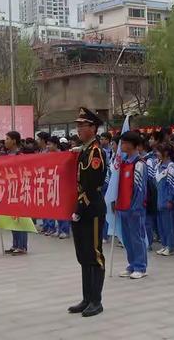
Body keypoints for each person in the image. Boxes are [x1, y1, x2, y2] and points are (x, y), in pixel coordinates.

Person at [68, 108, 107, 317]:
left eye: (82, 126)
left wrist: (79, 209)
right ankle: (86, 298)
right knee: (83, 255)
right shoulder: (83, 150)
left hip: (91, 209)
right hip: (81, 209)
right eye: (78, 126)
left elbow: (91, 186)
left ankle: (96, 300)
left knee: (94, 255)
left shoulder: (95, 153)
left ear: (93, 128)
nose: (79, 129)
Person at [115, 131, 149, 279]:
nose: (121, 146)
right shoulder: (123, 163)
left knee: (137, 237)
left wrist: (136, 207)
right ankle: (132, 264)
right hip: (122, 206)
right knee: (127, 239)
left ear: (132, 145)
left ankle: (141, 267)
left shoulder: (139, 164)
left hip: (134, 208)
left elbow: (140, 188)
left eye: (124, 143)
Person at [2, 131, 28, 255]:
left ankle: (22, 246)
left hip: (19, 190)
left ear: (14, 141)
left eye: (7, 139)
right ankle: (15, 244)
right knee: (12, 218)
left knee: (20, 219)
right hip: (9, 190)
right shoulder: (6, 155)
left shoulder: (20, 155)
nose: (5, 141)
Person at [155, 143, 174, 256]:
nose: (157, 154)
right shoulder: (158, 165)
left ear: (166, 153)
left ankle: (171, 246)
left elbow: (172, 185)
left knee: (169, 224)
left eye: (159, 151)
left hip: (166, 200)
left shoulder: (171, 166)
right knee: (161, 225)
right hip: (158, 200)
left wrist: (170, 199)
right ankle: (164, 245)